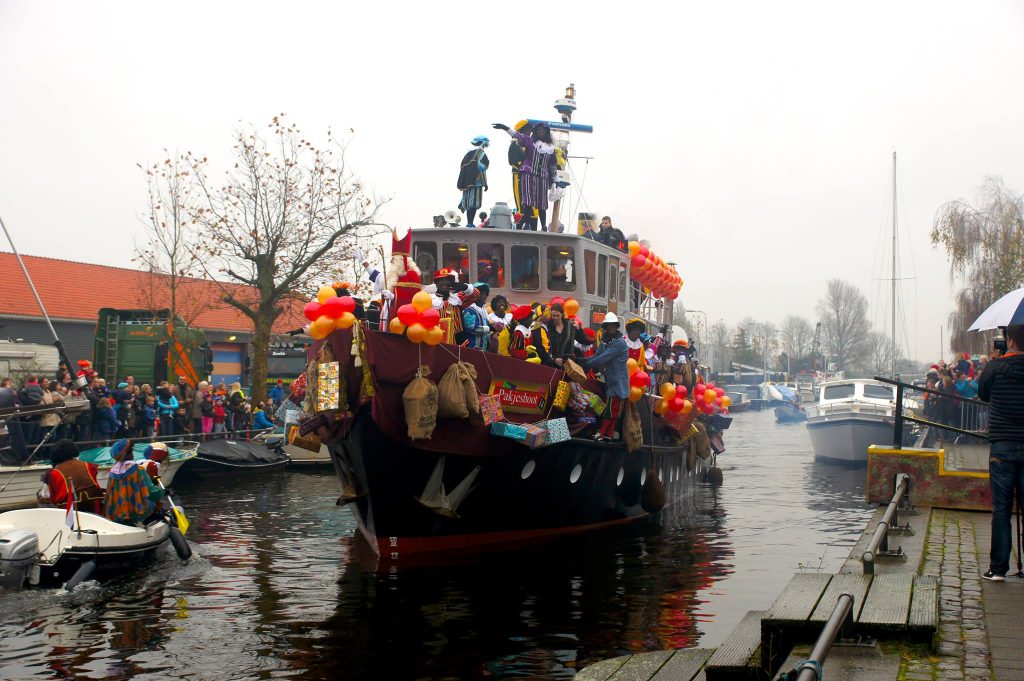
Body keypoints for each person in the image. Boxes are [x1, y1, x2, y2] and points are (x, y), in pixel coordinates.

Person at [977, 324, 1024, 581]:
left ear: (1010, 339)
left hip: (1002, 446)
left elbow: (983, 394)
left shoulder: (995, 368)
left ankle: (998, 569)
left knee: (1002, 509)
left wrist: (993, 362)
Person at [492, 121, 557, 231]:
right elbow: (516, 135)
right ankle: (526, 223)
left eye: (543, 130)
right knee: (528, 199)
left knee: (542, 202)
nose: (541, 132)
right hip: (529, 174)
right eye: (538, 130)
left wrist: (555, 180)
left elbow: (552, 165)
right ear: (535, 132)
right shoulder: (529, 141)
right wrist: (505, 127)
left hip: (542, 176)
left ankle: (544, 226)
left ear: (547, 132)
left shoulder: (551, 149)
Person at [582, 313, 629, 441]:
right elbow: (598, 355)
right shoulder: (605, 340)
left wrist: (586, 363)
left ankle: (604, 433)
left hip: (618, 382)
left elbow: (603, 357)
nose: (611, 328)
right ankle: (607, 433)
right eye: (608, 326)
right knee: (611, 409)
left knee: (611, 410)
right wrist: (582, 360)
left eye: (613, 326)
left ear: (616, 327)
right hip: (610, 381)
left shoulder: (619, 343)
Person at [103, 438, 165, 526]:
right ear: (129, 452)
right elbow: (151, 492)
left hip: (117, 514)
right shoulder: (138, 469)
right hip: (136, 513)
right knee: (153, 503)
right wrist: (162, 491)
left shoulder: (112, 471)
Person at [39, 439, 105, 514]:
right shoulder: (88, 465)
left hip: (69, 507)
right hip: (94, 503)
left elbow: (53, 498)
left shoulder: (53, 472)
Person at [457, 136, 489, 227]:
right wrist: (485, 184)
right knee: (474, 203)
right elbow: (482, 168)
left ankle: (469, 222)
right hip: (476, 182)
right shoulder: (481, 153)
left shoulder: (467, 155)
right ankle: (470, 223)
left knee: (467, 203)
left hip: (465, 183)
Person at [546, 302, 591, 367]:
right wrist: (553, 359)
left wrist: (579, 329)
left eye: (557, 315)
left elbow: (583, 340)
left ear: (562, 314)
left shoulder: (570, 325)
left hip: (568, 362)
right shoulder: (548, 326)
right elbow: (545, 346)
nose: (555, 318)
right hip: (553, 363)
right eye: (553, 315)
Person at [431, 268, 466, 344]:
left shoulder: (457, 299)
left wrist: (463, 286)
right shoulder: (430, 300)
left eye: (447, 280)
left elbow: (475, 293)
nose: (445, 283)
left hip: (455, 344)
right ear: (436, 283)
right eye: (441, 280)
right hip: (435, 343)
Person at [461, 283, 491, 351]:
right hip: (472, 348)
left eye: (486, 294)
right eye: (482, 294)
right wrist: (489, 328)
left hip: (483, 349)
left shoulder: (483, 309)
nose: (485, 296)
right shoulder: (469, 310)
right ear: (475, 296)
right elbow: (472, 329)